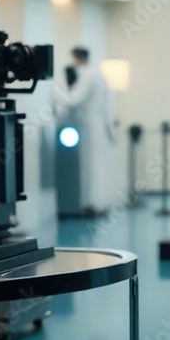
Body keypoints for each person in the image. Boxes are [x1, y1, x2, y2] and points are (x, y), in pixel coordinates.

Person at [59, 47, 119, 214]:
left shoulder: (87, 74)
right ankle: (98, 202)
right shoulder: (98, 73)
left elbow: (75, 99)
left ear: (78, 58)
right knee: (97, 164)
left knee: (92, 164)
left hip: (90, 124)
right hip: (97, 124)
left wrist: (57, 98)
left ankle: (93, 203)